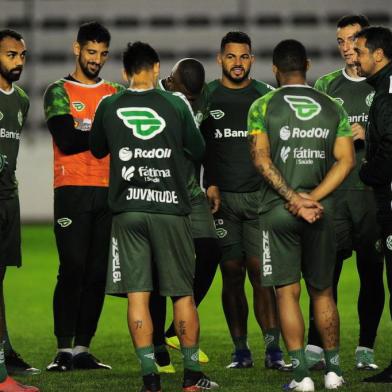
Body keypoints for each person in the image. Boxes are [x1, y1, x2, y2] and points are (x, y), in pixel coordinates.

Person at [90, 41, 218, 392]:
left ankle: (150, 378)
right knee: (182, 295)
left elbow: (98, 148)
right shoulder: (175, 104)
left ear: (124, 72)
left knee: (138, 296)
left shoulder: (110, 103)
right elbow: (198, 148)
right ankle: (191, 376)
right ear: (157, 68)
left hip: (128, 210)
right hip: (169, 208)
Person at [248, 39, 355, 391]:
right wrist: (312, 198)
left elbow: (261, 159)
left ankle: (300, 377)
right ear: (307, 65)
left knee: (287, 293)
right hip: (321, 212)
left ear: (275, 69)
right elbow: (346, 161)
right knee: (323, 292)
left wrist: (294, 199)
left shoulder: (262, 105)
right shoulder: (331, 105)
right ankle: (334, 372)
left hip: (278, 211)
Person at [200, 31, 285, 370]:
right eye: (231, 56)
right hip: (223, 200)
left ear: (252, 59)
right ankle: (240, 350)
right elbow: (196, 144)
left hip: (260, 199)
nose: (238, 63)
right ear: (220, 58)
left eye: (244, 56)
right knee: (231, 272)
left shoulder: (266, 96)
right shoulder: (206, 96)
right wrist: (209, 183)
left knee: (261, 274)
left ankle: (273, 350)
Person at [43, 21, 124, 371]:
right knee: (72, 268)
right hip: (72, 190)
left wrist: (88, 131)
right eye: (91, 52)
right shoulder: (58, 90)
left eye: (103, 54)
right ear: (77, 49)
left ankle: (82, 349)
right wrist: (104, 134)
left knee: (95, 274)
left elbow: (92, 137)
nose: (97, 59)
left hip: (109, 192)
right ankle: (62, 349)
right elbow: (66, 139)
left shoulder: (116, 91)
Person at [306, 15, 385, 371]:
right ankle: (317, 344)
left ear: (367, 42)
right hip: (334, 195)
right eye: (340, 41)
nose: (347, 47)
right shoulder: (325, 84)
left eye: (353, 39)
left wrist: (368, 137)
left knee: (372, 272)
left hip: (370, 194)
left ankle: (365, 347)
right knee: (326, 272)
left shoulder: (382, 85)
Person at [150, 58, 221, 373]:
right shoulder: (154, 98)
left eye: (195, 97)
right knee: (157, 272)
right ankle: (156, 348)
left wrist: (212, 182)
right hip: (160, 195)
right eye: (186, 95)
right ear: (172, 82)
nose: (191, 102)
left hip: (193, 194)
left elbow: (209, 142)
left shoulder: (202, 97)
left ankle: (173, 332)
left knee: (210, 252)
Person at [0, 28, 40, 392]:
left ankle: (5, 351)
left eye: (22, 55)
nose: (18, 62)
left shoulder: (22, 100)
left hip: (8, 199)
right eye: (11, 54)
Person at [356, 25, 392, 384]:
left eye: (361, 51)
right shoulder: (383, 89)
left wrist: (368, 172)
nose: (357, 57)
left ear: (378, 54)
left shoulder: (387, 94)